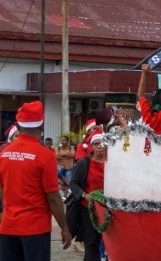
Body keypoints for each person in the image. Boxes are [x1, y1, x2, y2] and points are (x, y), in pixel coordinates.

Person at [0, 101, 72, 260]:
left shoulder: (4, 153)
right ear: (41, 125)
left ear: (19, 125)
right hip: (35, 229)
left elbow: (2, 190)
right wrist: (64, 227)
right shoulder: (45, 155)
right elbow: (53, 197)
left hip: (8, 227)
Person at [68, 133, 106, 261]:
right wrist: (84, 195)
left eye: (103, 143)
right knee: (91, 244)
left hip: (108, 210)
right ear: (92, 147)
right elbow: (73, 183)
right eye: (96, 143)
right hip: (88, 209)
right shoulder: (84, 163)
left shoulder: (112, 164)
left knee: (107, 245)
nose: (100, 146)